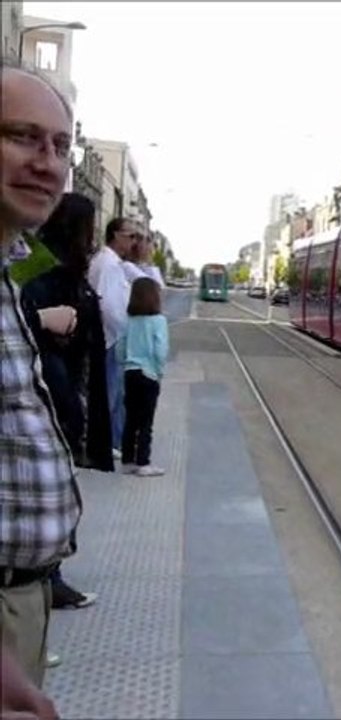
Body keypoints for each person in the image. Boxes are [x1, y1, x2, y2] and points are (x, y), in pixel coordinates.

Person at [1, 58, 82, 698]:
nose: (47, 163)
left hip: (20, 599)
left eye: (60, 146)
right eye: (22, 137)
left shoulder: (10, 269)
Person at [18, 193, 109, 615]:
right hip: (49, 391)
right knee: (47, 484)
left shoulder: (64, 266)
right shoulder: (41, 266)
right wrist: (47, 320)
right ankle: (45, 580)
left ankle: (48, 576)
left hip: (64, 383)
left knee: (56, 483)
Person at [88, 217, 138, 455]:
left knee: (116, 393)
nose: (134, 242)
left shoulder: (111, 262)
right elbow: (107, 305)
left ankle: (115, 441)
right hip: (111, 337)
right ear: (116, 235)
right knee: (110, 393)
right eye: (131, 236)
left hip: (112, 336)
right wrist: (124, 332)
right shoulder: (108, 264)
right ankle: (104, 444)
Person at [119, 277, 168, 476]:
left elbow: (120, 348)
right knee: (146, 421)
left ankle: (127, 460)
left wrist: (125, 362)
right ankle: (143, 463)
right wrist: (159, 371)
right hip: (149, 374)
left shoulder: (128, 321)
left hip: (130, 373)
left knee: (130, 419)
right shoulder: (159, 321)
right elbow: (160, 350)